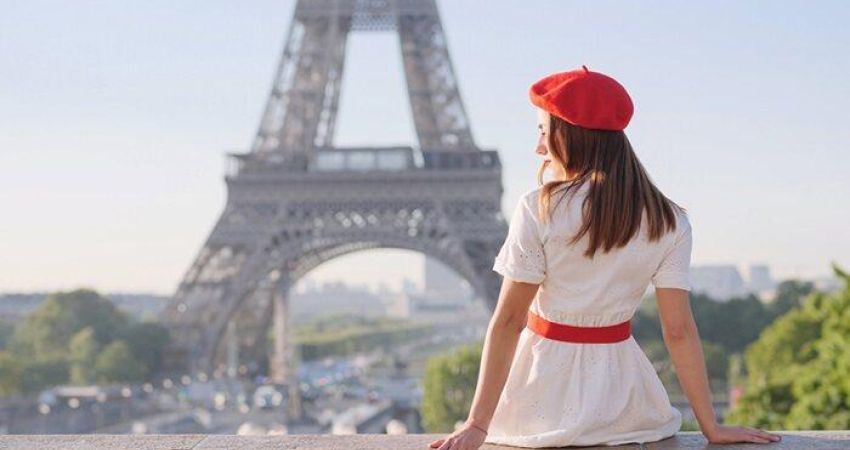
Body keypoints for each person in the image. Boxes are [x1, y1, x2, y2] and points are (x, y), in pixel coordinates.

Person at [428, 66, 783, 449]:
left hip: (541, 397)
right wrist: (711, 425)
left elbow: (510, 320)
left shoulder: (539, 208)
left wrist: (477, 423)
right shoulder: (670, 220)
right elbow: (679, 330)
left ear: (569, 134)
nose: (539, 148)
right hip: (625, 403)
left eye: (544, 132)